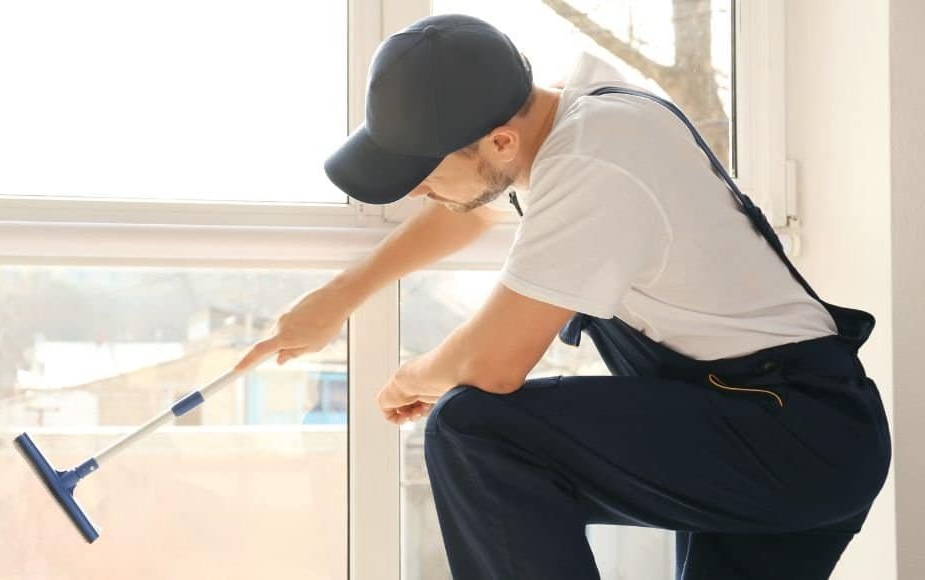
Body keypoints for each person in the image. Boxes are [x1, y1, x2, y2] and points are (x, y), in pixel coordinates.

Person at [233, 14, 892, 580]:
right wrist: (340, 297)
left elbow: (494, 365)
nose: (415, 192)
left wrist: (411, 375)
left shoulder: (595, 158)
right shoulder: (568, 120)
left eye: (424, 175)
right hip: (769, 422)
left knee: (475, 431)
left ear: (499, 141)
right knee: (479, 427)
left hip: (787, 431)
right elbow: (472, 207)